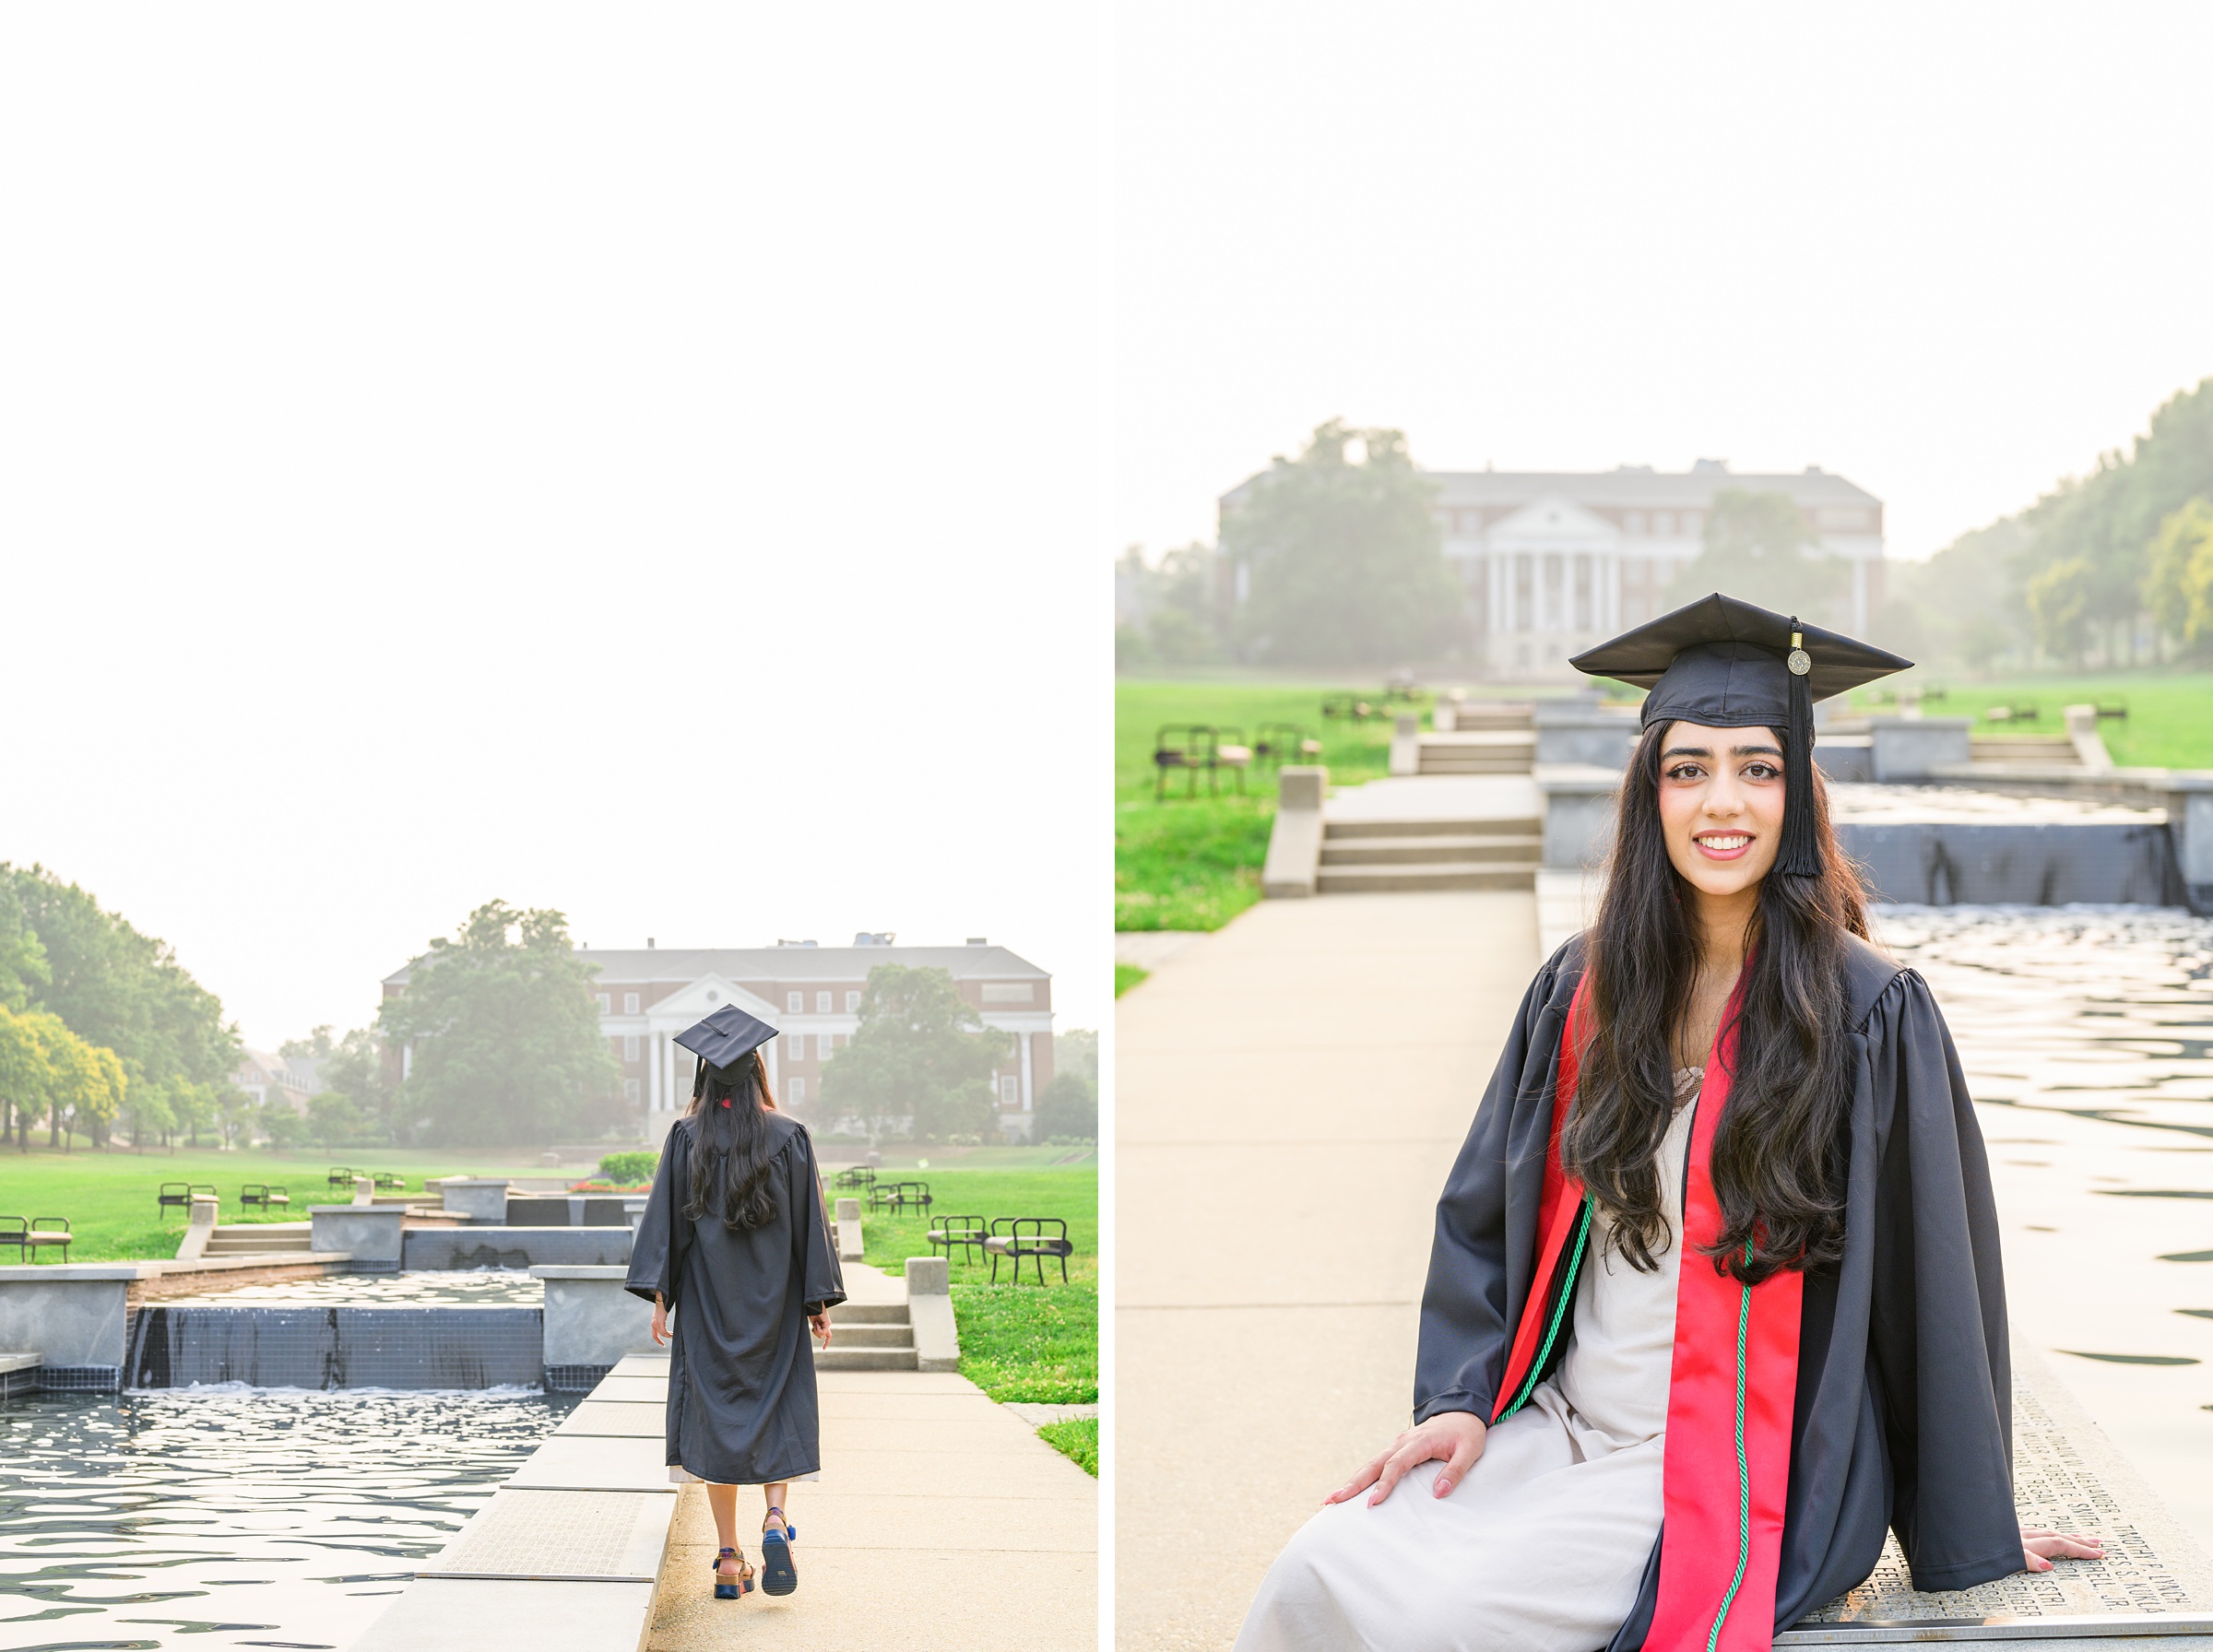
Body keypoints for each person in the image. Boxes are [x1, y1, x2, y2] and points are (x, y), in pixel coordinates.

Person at [1235, 595, 2102, 1652]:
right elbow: (1481, 1212)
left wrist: (1969, 1523)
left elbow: (1934, 1286)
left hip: (1742, 1459)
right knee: (1315, 1567)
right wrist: (1459, 1399)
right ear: (1650, 792)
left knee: (1440, 1614)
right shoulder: (1585, 988)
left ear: (1799, 793)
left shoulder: (1866, 1013)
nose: (1720, 801)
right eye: (1688, 768)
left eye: (1758, 767)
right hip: (1557, 1426)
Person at [626, 1004, 846, 1603]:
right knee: (774, 1410)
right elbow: (810, 1228)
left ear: (705, 1078)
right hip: (774, 1307)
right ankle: (775, 1520)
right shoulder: (789, 1136)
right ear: (757, 1073)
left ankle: (727, 1559)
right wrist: (817, 1301)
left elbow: (667, 1228)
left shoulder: (685, 1136)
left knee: (717, 1423)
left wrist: (661, 1300)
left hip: (707, 1307)